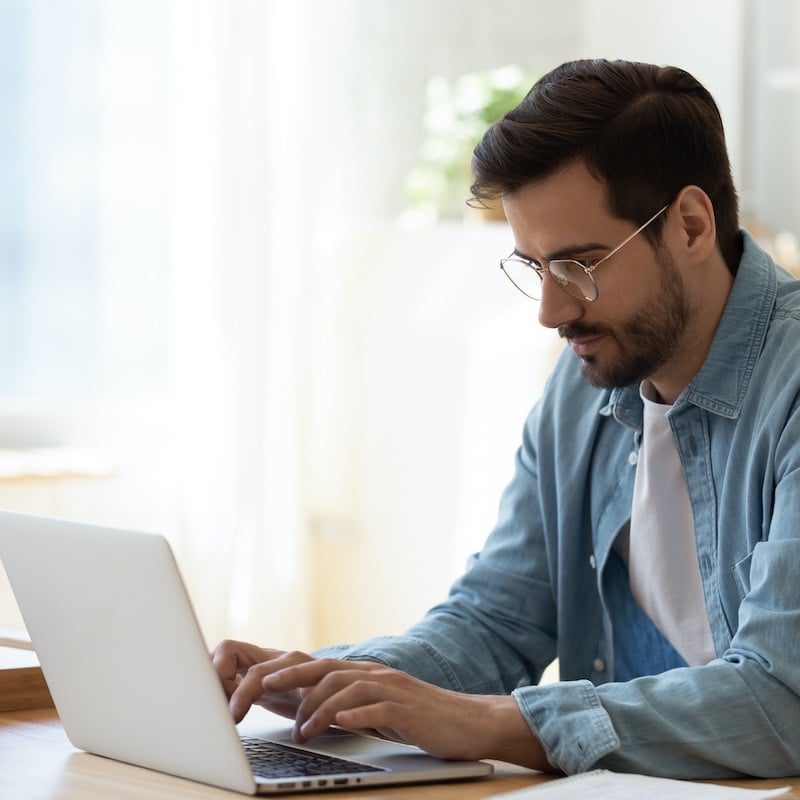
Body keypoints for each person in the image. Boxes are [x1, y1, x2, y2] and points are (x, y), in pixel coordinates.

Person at [212, 59, 800, 780]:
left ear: (689, 224)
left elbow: (782, 697)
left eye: (580, 265)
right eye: (535, 267)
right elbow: (497, 622)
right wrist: (330, 680)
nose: (551, 312)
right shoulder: (583, 386)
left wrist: (494, 720)